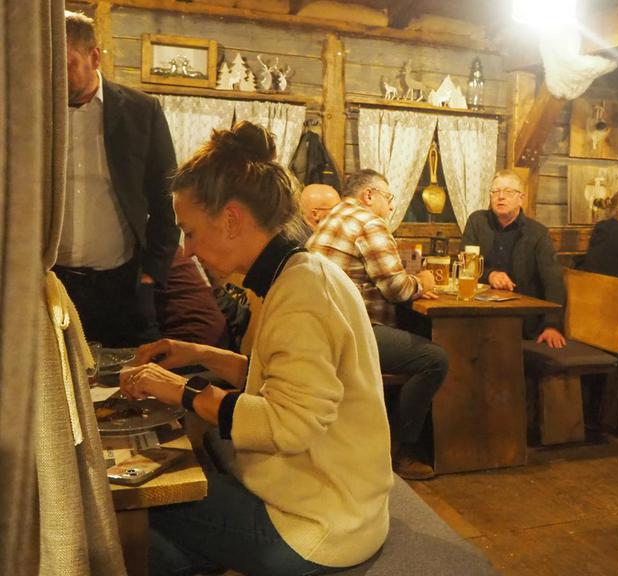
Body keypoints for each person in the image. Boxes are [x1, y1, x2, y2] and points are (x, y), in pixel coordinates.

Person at [119, 122, 391, 576]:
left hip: (322, 527)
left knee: (138, 502)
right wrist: (201, 355)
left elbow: (289, 425)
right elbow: (286, 381)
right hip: (346, 507)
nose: (188, 250)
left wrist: (183, 391)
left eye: (190, 232)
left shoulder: (301, 294)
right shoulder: (299, 271)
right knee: (166, 539)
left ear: (230, 220)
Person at [307, 168, 447, 480]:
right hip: (348, 333)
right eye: (388, 197)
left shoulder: (332, 217)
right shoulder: (369, 222)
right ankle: (399, 449)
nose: (392, 205)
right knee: (434, 359)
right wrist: (422, 281)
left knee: (412, 339)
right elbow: (396, 289)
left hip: (317, 329)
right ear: (368, 195)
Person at [57, 12, 179, 347]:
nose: (56, 75)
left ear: (95, 57)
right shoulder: (33, 113)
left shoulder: (141, 111)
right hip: (51, 284)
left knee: (133, 376)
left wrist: (151, 275)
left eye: (67, 64)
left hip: (122, 286)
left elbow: (167, 198)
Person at [462, 170, 567, 349]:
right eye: (495, 191)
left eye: (508, 192)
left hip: (521, 321)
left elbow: (553, 282)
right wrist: (490, 275)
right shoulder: (477, 221)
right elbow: (465, 265)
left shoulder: (537, 233)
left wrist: (552, 326)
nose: (500, 196)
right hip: (478, 314)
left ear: (521, 198)